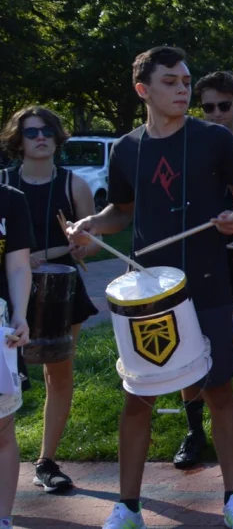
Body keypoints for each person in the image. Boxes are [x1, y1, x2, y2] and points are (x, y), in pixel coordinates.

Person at [66, 46, 233, 529]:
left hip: (210, 282)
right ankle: (127, 507)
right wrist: (92, 225)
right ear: (143, 90)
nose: (182, 89)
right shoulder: (128, 148)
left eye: (185, 80)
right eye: (170, 81)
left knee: (218, 391)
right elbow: (122, 211)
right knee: (140, 396)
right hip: (149, 291)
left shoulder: (215, 138)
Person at [0, 107, 99, 494]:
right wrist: (23, 259)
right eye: (31, 132)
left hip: (61, 291)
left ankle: (46, 460)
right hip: (9, 293)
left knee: (57, 375)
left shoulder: (75, 185)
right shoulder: (4, 184)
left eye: (47, 131)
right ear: (18, 140)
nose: (40, 137)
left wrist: (69, 246)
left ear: (58, 138)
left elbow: (89, 245)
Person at [180, 70, 233, 469]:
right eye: (208, 106)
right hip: (199, 261)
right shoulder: (188, 146)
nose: (215, 113)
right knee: (191, 347)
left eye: (223, 105)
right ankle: (195, 431)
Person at [0, 180, 33, 529]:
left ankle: (2, 519)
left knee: (1, 430)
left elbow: (19, 265)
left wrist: (20, 314)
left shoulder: (10, 200)